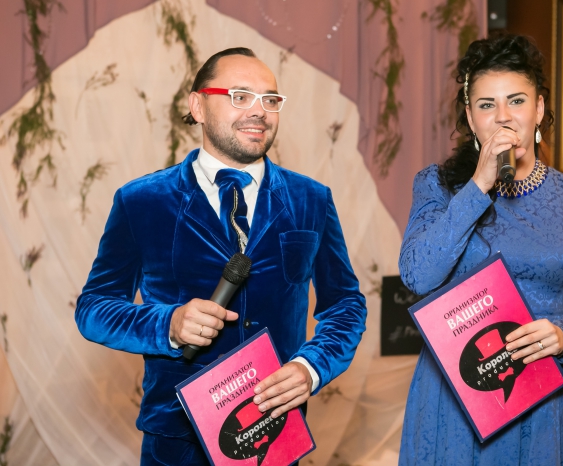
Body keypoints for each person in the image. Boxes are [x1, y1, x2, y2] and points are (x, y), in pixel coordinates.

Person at [75, 47, 367, 465]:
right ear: (197, 106)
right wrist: (168, 324)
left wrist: (311, 367)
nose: (259, 111)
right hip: (176, 440)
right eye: (240, 96)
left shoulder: (312, 199)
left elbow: (346, 305)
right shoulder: (141, 201)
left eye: (270, 99)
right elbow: (93, 309)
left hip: (272, 434)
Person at [398, 35, 563, 465]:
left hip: (546, 396)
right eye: (486, 105)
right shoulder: (437, 186)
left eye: (516, 101)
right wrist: (478, 185)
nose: (502, 117)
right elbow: (417, 276)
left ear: (538, 109)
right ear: (470, 117)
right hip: (458, 400)